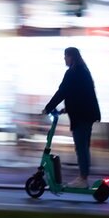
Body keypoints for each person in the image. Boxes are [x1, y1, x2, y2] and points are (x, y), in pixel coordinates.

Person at [42, 47, 101, 188]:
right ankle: (84, 177)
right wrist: (66, 109)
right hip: (87, 114)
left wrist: (48, 108)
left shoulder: (73, 73)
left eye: (66, 56)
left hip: (82, 116)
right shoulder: (82, 71)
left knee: (81, 147)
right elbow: (81, 95)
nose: (64, 59)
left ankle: (83, 179)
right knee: (83, 147)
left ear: (71, 57)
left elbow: (62, 92)